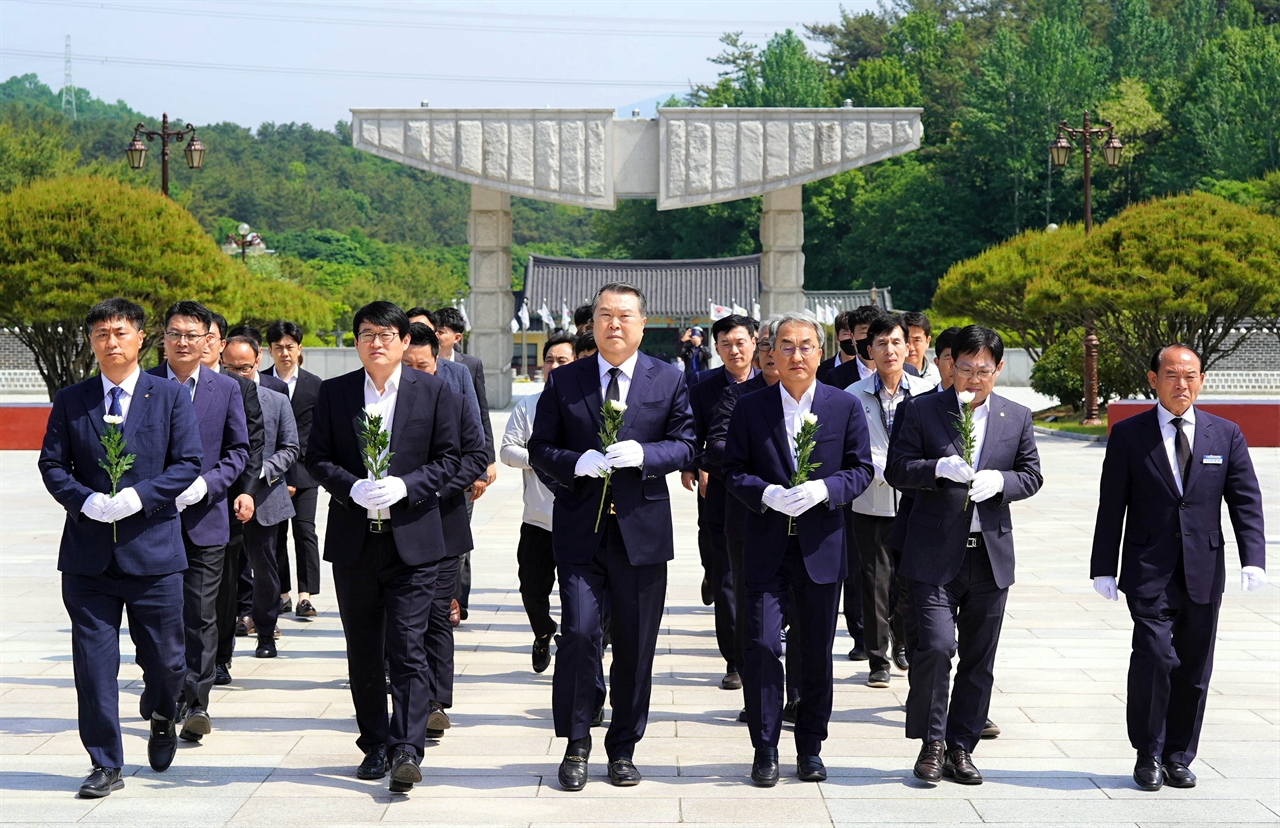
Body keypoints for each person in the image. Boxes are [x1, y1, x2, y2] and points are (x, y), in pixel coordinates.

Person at [529, 282, 695, 791]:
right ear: (592, 324)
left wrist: (648, 457)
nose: (614, 324)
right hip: (581, 531)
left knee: (636, 645)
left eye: (625, 316)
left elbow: (688, 443)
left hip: (641, 533)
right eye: (605, 315)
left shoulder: (667, 378)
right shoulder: (567, 380)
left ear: (643, 324)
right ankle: (577, 743)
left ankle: (622, 747)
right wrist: (574, 462)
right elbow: (540, 448)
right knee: (578, 634)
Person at [38, 298, 203, 797]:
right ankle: (105, 762)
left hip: (153, 552)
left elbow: (188, 462)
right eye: (101, 334)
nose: (111, 342)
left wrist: (139, 496)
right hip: (89, 560)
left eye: (120, 332)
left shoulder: (168, 396)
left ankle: (160, 711)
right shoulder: (72, 400)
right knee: (92, 666)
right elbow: (52, 465)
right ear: (92, 342)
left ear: (139, 338)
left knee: (167, 662)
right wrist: (83, 501)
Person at [1090, 344, 1266, 792]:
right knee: (1154, 655)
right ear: (1153, 380)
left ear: (1201, 380)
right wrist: (1103, 566)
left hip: (1204, 569)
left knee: (1194, 665)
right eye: (1172, 375)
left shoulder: (1224, 434)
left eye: (1190, 376)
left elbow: (1245, 500)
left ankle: (1178, 755)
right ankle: (1148, 752)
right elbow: (1112, 505)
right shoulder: (1130, 435)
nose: (1181, 384)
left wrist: (1254, 559)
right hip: (1149, 568)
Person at [305, 301, 462, 793]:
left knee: (408, 647)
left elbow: (453, 457)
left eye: (387, 334)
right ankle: (374, 743)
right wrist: (349, 485)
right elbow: (317, 457)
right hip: (355, 542)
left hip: (413, 542)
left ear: (403, 341)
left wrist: (409, 485)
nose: (378, 342)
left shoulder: (434, 391)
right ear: (356, 342)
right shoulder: (335, 394)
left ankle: (407, 749)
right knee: (364, 650)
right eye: (368, 334)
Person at [723, 311, 874, 787]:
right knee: (764, 646)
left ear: (821, 350)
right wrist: (764, 493)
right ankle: (764, 746)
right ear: (771, 353)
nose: (796, 355)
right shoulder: (751, 408)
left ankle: (810, 745)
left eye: (806, 345)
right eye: (785, 346)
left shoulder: (843, 406)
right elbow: (731, 470)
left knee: (814, 651)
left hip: (820, 547)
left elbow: (861, 469)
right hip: (766, 546)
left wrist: (824, 490)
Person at [887, 325, 1042, 786]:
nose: (974, 379)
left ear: (997, 370)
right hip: (933, 554)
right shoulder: (920, 411)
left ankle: (961, 747)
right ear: (950, 366)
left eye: (984, 370)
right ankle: (931, 743)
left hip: (988, 555)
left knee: (979, 657)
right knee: (934, 648)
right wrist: (936, 469)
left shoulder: (1016, 416)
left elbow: (1031, 474)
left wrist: (1003, 483)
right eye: (966, 368)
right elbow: (897, 469)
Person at [147, 301, 250, 745]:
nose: (184, 342)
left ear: (210, 340)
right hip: (149, 521)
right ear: (163, 338)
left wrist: (208, 486)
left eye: (194, 334)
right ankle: (160, 688)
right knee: (154, 616)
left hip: (206, 520)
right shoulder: (144, 384)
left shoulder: (225, 389)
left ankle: (196, 702)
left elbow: (238, 452)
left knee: (200, 615)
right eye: (176, 334)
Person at [402, 322, 489, 739]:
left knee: (438, 613)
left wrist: (434, 491)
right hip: (399, 526)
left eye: (423, 366)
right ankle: (410, 696)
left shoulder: (454, 401)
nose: (417, 373)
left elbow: (475, 458)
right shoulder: (386, 406)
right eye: (409, 366)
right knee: (405, 618)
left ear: (437, 364)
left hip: (443, 522)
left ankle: (436, 701)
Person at [847, 314, 938, 689]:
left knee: (909, 580)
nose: (890, 350)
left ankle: (903, 640)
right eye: (881, 343)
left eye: (897, 342)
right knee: (873, 581)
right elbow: (851, 448)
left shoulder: (927, 396)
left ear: (909, 348)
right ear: (870, 350)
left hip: (914, 502)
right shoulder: (853, 395)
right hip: (869, 501)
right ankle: (877, 657)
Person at [683, 314, 757, 690]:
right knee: (727, 575)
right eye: (726, 344)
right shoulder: (701, 386)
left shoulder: (773, 384)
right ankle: (735, 660)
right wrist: (697, 466)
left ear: (756, 342)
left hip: (764, 498)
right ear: (716, 348)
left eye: (740, 341)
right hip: (719, 491)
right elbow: (690, 435)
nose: (734, 349)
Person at [500, 332, 577, 670]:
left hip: (578, 519)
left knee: (577, 596)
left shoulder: (585, 407)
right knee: (532, 589)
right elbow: (506, 449)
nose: (554, 366)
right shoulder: (528, 405)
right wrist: (541, 458)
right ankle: (543, 631)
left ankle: (575, 646)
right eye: (549, 360)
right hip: (537, 519)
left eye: (562, 360)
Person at [221, 333, 299, 659]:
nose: (237, 375)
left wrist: (263, 471)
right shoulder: (216, 396)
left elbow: (291, 447)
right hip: (222, 497)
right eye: (230, 368)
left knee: (265, 568)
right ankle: (227, 633)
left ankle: (266, 632)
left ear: (257, 362)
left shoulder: (276, 398)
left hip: (265, 497)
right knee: (225, 571)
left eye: (244, 368)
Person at [205, 314, 264, 690]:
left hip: (224, 504)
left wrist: (246, 490)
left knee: (225, 587)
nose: (199, 343)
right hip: (168, 505)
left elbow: (252, 445)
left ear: (220, 341)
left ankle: (220, 657)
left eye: (207, 336)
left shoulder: (236, 388)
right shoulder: (159, 382)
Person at [432, 306, 495, 621]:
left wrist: (485, 465)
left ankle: (456, 599)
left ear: (455, 337)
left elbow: (479, 414)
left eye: (440, 330)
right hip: (429, 475)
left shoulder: (467, 367)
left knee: (458, 536)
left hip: (461, 472)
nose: (435, 334)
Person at [262, 319, 324, 620]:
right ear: (269, 351)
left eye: (290, 346)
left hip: (306, 472)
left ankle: (305, 595)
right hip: (270, 472)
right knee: (275, 535)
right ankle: (282, 593)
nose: (284, 352)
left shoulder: (316, 385)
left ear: (299, 348)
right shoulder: (260, 382)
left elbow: (320, 432)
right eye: (278, 347)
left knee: (305, 531)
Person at [815, 310, 859, 385]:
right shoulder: (821, 370)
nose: (851, 338)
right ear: (837, 338)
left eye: (854, 334)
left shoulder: (868, 370)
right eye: (846, 334)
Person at [902, 311, 942, 387]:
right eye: (906, 341)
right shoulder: (887, 376)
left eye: (916, 340)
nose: (910, 347)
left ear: (927, 341)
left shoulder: (939, 376)